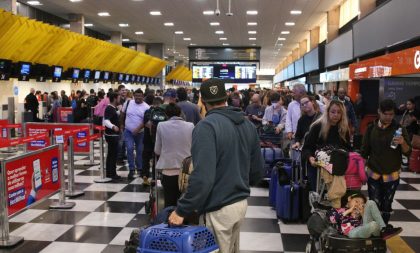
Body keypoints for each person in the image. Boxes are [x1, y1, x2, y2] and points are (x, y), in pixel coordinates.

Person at [169, 78, 264, 252]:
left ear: (202, 101)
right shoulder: (248, 125)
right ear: (225, 97)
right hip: (240, 204)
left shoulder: (206, 127)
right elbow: (258, 172)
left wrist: (181, 210)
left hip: (218, 207)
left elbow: (203, 178)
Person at [361, 99, 411, 224]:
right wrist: (360, 172)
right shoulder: (371, 128)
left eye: (391, 114)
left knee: (387, 205)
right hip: (373, 173)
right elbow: (364, 152)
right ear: (379, 112)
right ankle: (374, 232)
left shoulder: (399, 129)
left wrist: (402, 142)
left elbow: (408, 151)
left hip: (391, 174)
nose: (389, 117)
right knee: (374, 203)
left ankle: (383, 231)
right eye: (386, 114)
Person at [302, 100, 351, 206]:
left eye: (339, 112)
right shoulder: (317, 126)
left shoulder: (343, 129)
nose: (336, 115)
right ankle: (334, 199)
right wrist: (310, 158)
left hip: (337, 162)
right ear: (327, 112)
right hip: (319, 163)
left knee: (339, 162)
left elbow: (348, 148)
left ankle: (334, 198)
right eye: (333, 112)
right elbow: (307, 148)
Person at [154, 103, 194, 207]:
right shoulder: (190, 126)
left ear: (166, 115)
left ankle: (169, 222)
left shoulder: (161, 125)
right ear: (180, 113)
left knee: (169, 202)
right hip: (186, 171)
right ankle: (184, 223)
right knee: (184, 203)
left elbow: (157, 150)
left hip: (168, 171)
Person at [328, 191, 402, 240]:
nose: (358, 204)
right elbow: (332, 220)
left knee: (371, 202)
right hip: (351, 233)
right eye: (356, 201)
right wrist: (349, 211)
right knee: (373, 224)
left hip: (365, 228)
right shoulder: (338, 210)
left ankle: (383, 229)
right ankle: (382, 229)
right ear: (349, 199)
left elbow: (364, 223)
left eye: (361, 204)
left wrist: (362, 213)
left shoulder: (359, 211)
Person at [120, 89, 150, 180]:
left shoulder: (146, 107)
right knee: (129, 148)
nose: (138, 97)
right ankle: (131, 169)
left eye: (140, 96)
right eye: (136, 95)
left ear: (143, 96)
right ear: (134, 95)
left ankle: (140, 168)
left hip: (140, 133)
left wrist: (138, 129)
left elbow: (146, 121)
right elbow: (122, 113)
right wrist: (121, 125)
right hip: (128, 131)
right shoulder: (128, 103)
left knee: (140, 150)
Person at [142, 96, 163, 185]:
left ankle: (145, 176)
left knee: (146, 158)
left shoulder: (147, 112)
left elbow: (146, 124)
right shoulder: (162, 112)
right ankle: (154, 177)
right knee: (156, 158)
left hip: (147, 139)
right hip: (157, 139)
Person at [103, 92, 121, 180]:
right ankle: (112, 173)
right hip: (112, 135)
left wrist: (118, 111)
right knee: (113, 154)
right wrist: (113, 126)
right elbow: (106, 120)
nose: (119, 99)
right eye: (118, 98)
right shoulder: (109, 108)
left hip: (112, 135)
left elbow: (112, 116)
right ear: (114, 98)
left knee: (112, 154)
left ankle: (111, 173)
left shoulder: (112, 108)